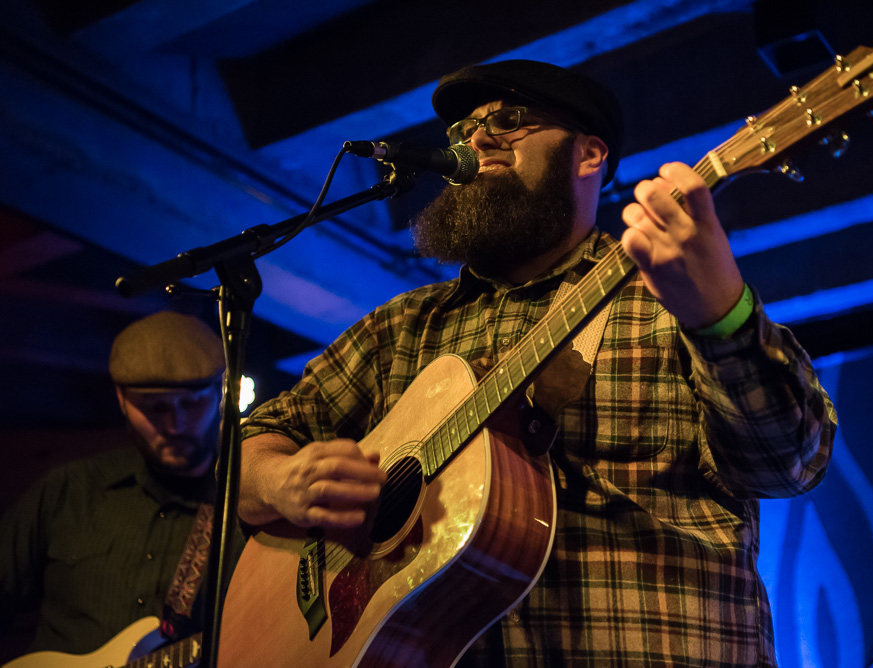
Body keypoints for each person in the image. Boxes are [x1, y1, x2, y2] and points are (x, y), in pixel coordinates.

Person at [236, 60, 836, 666]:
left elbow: (790, 464)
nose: (475, 139)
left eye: (510, 121)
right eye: (463, 131)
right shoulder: (402, 327)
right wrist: (279, 481)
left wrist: (721, 317)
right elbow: (247, 447)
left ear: (588, 156)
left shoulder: (663, 301)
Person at [0, 310, 228, 658]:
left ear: (220, 394)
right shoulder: (68, 489)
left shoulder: (240, 508)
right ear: (121, 399)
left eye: (192, 403)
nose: (176, 424)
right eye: (154, 407)